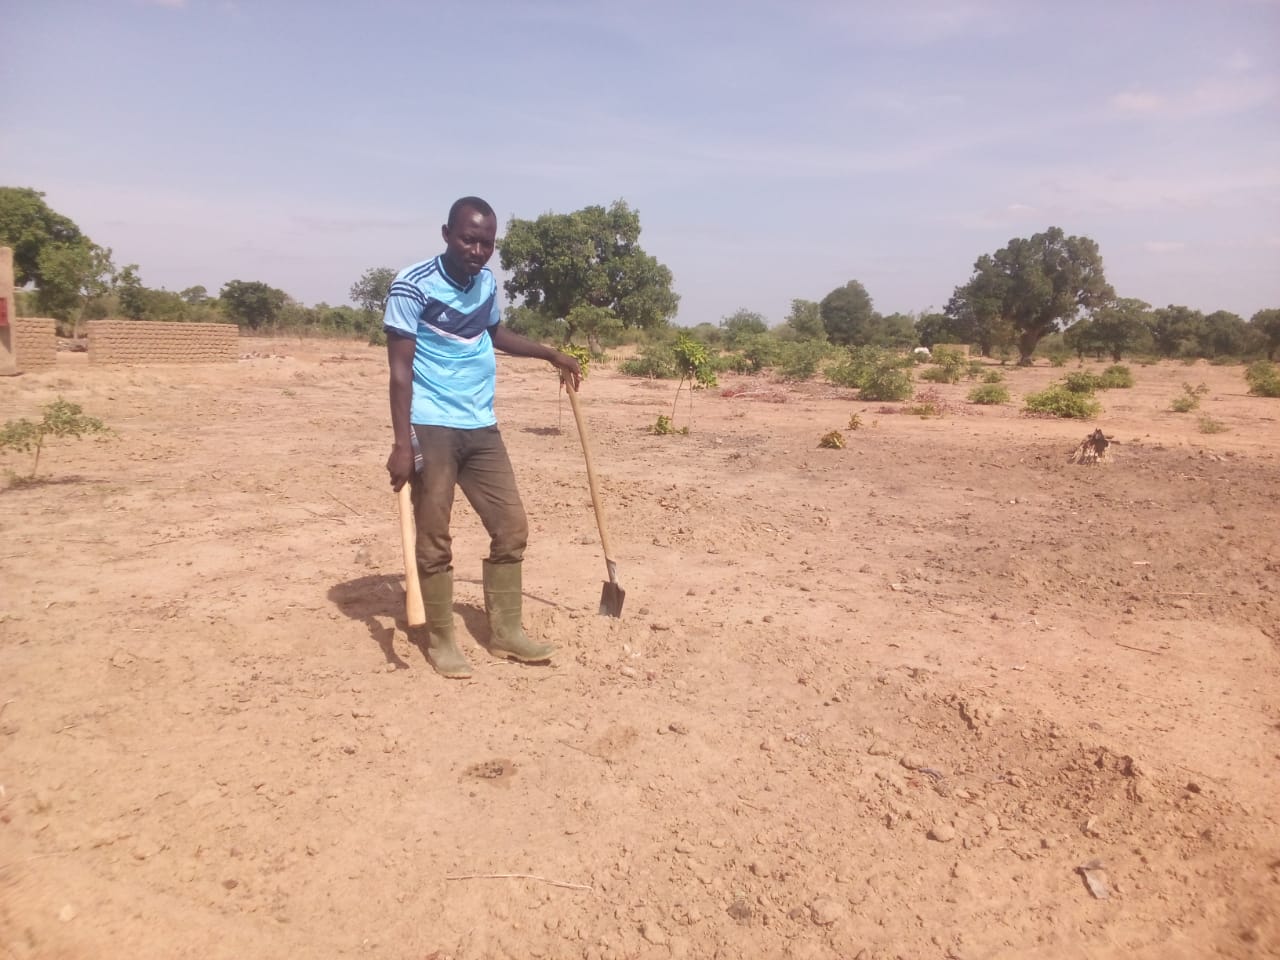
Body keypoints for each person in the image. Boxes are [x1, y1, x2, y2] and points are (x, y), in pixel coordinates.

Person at [383, 196, 582, 679]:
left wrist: (549, 353)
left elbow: (494, 334)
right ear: (447, 232)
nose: (477, 250)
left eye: (486, 243)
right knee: (434, 537)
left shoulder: (486, 284)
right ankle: (442, 639)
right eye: (468, 239)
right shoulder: (412, 285)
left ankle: (506, 633)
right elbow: (400, 371)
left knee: (511, 526)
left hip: (481, 425)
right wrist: (402, 444)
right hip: (431, 425)